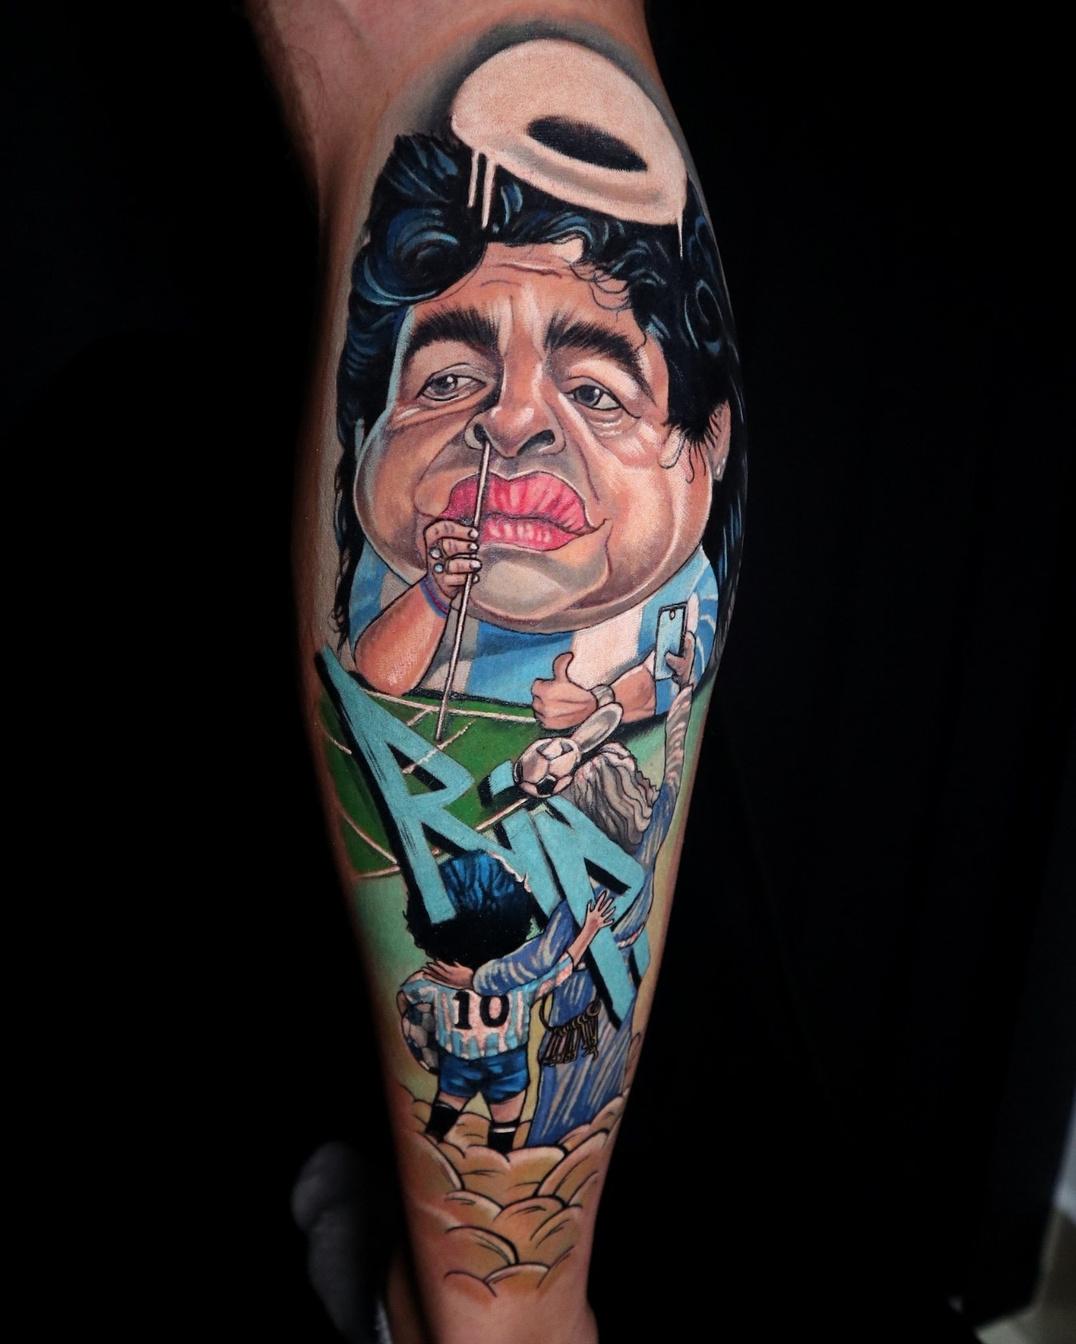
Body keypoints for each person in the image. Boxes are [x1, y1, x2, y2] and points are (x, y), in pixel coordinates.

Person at [332, 53, 745, 727]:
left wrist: (602, 704)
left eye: (594, 394)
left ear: (710, 442)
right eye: (449, 380)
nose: (510, 421)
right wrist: (434, 595)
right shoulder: (394, 575)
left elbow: (669, 683)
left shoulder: (677, 606)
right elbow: (379, 672)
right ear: (364, 429)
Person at [427, 636, 696, 1144]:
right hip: (621, 991)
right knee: (597, 1096)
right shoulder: (652, 831)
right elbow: (675, 771)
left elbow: (540, 957)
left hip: (579, 1003)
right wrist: (683, 690)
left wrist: (479, 978)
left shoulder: (582, 885)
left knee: (564, 1102)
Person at [398, 850, 615, 1153]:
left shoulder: (437, 977)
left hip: (457, 1058)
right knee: (505, 1121)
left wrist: (422, 1036)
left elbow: (406, 997)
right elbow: (560, 971)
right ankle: (498, 1157)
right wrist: (589, 930)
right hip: (507, 1064)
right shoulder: (518, 983)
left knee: (446, 1107)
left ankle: (434, 1141)